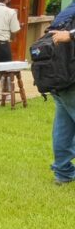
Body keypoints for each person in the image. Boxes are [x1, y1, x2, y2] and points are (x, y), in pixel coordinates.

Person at [47, 24, 75, 185]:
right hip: (69, 77)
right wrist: (71, 35)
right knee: (63, 128)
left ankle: (63, 173)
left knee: (64, 128)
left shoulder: (67, 14)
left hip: (59, 78)